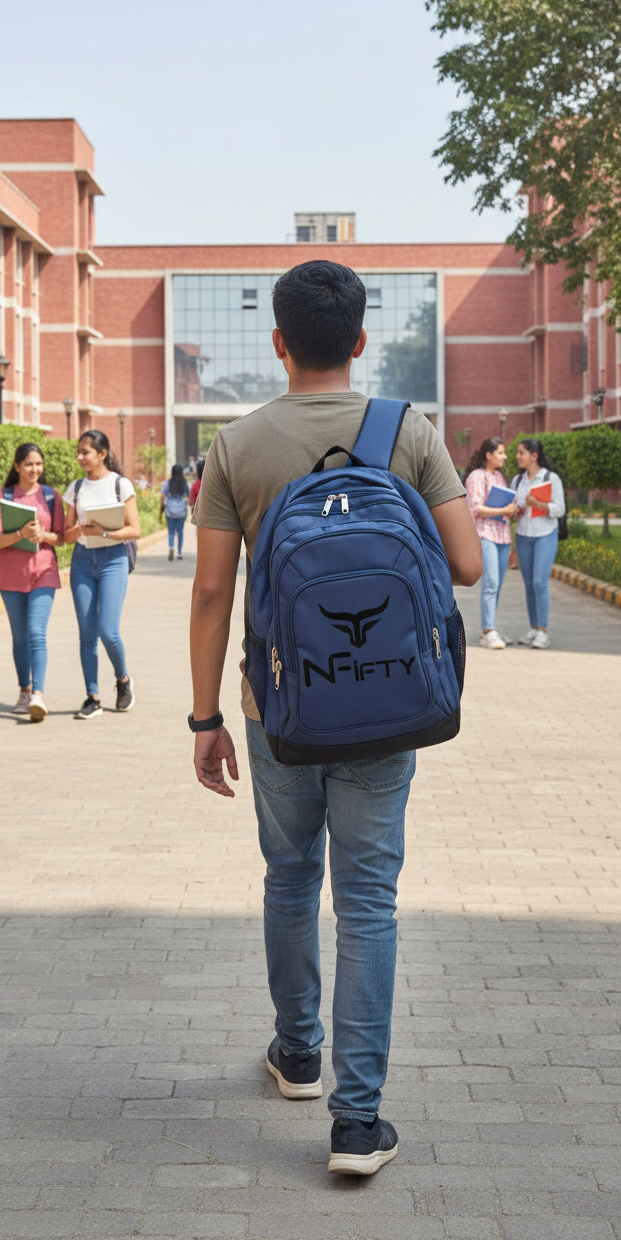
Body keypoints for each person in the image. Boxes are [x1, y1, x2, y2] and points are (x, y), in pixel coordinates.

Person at [189, 260, 481, 1176]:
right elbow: (468, 566)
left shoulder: (235, 444)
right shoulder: (409, 430)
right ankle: (358, 1124)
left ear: (278, 342)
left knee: (288, 877)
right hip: (391, 702)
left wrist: (204, 719)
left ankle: (298, 1055)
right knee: (368, 903)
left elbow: (208, 593)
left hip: (277, 706)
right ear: (358, 341)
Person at [0, 442, 65, 721]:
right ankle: (24, 690)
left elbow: (61, 537)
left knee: (35, 632)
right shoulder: (4, 496)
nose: (35, 469)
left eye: (39, 464)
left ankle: (38, 695)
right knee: (19, 637)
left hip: (44, 570)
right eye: (29, 464)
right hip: (11, 575)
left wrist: (42, 536)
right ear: (17, 466)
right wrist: (20, 533)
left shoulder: (51, 496)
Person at [63, 430, 141, 718]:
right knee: (86, 634)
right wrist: (77, 529)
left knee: (108, 631)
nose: (81, 457)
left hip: (113, 560)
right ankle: (91, 696)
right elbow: (67, 535)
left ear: (102, 454)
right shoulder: (75, 488)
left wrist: (105, 532)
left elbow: (135, 529)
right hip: (82, 561)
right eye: (79, 452)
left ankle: (123, 680)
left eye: (86, 452)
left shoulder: (121, 485)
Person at [463, 437, 517, 649]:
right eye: (501, 453)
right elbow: (475, 508)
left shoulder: (500, 478)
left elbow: (501, 506)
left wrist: (510, 510)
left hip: (502, 536)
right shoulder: (477, 477)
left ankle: (490, 627)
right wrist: (503, 510)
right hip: (485, 535)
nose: (504, 457)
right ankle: (488, 631)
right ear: (489, 455)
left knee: (498, 585)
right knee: (491, 583)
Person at [513, 437, 565, 649]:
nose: (517, 456)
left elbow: (560, 509)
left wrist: (541, 504)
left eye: (521, 452)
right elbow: (514, 508)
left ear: (534, 456)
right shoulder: (518, 480)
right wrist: (520, 509)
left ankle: (543, 631)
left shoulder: (552, 479)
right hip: (524, 535)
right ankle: (534, 628)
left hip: (545, 534)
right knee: (528, 585)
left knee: (539, 583)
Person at [160, 464, 190, 560]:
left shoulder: (167, 483)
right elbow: (188, 497)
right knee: (180, 531)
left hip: (170, 509)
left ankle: (171, 547)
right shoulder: (185, 484)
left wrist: (161, 508)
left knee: (171, 531)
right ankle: (179, 553)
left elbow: (162, 496)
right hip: (181, 510)